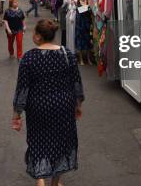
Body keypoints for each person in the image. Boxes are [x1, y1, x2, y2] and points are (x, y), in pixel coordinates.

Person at [12, 19, 84, 186]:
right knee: (61, 143)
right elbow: (76, 83)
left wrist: (16, 114)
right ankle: (55, 182)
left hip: (38, 108)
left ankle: (40, 179)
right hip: (63, 106)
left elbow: (22, 89)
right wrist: (78, 105)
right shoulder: (67, 54)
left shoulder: (29, 58)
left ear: (38, 36)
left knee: (38, 142)